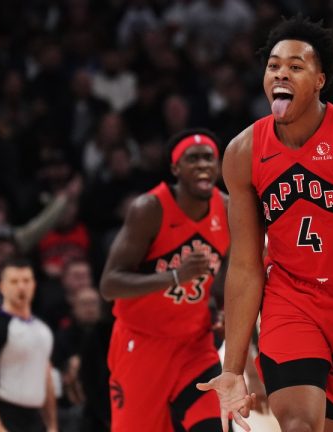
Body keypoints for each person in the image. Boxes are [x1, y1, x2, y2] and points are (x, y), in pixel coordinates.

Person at [197, 16, 333, 432]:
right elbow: (244, 264)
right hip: (290, 300)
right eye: (274, 65)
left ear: (319, 80)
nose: (281, 73)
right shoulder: (243, 152)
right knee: (298, 424)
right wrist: (232, 367)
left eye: (296, 66)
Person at [99, 128, 230, 432]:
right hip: (141, 341)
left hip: (194, 345)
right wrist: (174, 276)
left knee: (214, 425)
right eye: (193, 158)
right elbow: (109, 284)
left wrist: (223, 311)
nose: (202, 165)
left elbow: (227, 280)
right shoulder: (149, 209)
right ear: (175, 168)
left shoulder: (228, 209)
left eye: (209, 158)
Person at [0, 257, 57, 432]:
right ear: (2, 286)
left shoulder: (43, 330)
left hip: (34, 418)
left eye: (26, 281)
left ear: (34, 284)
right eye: (14, 281)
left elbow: (46, 378)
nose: (21, 287)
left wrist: (52, 425)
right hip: (5, 416)